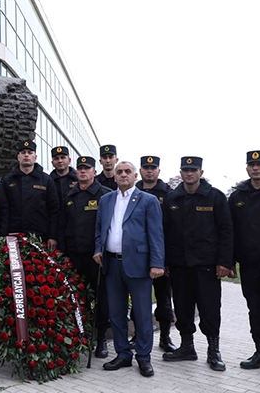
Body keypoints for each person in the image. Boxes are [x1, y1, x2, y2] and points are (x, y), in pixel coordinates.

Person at [93, 161, 165, 377]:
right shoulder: (106, 200)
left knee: (142, 314)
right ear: (114, 177)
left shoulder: (148, 200)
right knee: (116, 313)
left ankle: (143, 357)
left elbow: (156, 233)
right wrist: (98, 249)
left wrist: (157, 263)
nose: (123, 175)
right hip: (111, 263)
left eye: (127, 172)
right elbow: (99, 229)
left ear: (135, 176)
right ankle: (123, 354)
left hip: (139, 265)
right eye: (119, 172)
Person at [162, 157, 233, 371]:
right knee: (182, 308)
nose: (189, 173)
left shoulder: (215, 197)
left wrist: (225, 262)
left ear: (201, 172)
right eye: (185, 170)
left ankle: (214, 351)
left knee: (209, 309)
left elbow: (226, 230)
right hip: (179, 265)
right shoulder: (172, 199)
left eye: (193, 170)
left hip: (207, 266)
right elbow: (165, 233)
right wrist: (165, 261)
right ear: (181, 173)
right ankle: (187, 347)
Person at [59, 156, 112, 358]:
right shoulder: (69, 196)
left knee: (101, 298)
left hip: (96, 256)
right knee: (77, 297)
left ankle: (101, 339)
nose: (82, 171)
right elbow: (63, 226)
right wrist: (64, 253)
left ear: (94, 172)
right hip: (74, 255)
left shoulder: (105, 195)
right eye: (80, 168)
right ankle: (80, 336)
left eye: (86, 168)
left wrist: (103, 250)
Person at [228, 150, 260, 371]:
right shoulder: (238, 196)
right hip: (249, 265)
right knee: (255, 310)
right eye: (252, 164)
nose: (255, 168)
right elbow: (230, 231)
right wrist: (229, 261)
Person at [129, 156, 176, 352]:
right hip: (138, 255)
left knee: (164, 299)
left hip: (161, 256)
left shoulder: (169, 194)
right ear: (140, 171)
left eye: (153, 168)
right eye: (146, 168)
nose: (149, 171)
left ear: (158, 171)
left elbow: (172, 228)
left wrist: (167, 258)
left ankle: (165, 336)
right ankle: (138, 335)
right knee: (138, 299)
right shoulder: (132, 192)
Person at [2, 140, 59, 251]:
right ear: (18, 156)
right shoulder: (7, 180)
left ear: (35, 157)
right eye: (23, 152)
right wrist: (3, 234)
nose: (26, 155)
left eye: (30, 152)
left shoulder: (46, 180)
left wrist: (53, 235)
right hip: (13, 236)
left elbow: (54, 209)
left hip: (40, 236)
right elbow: (3, 209)